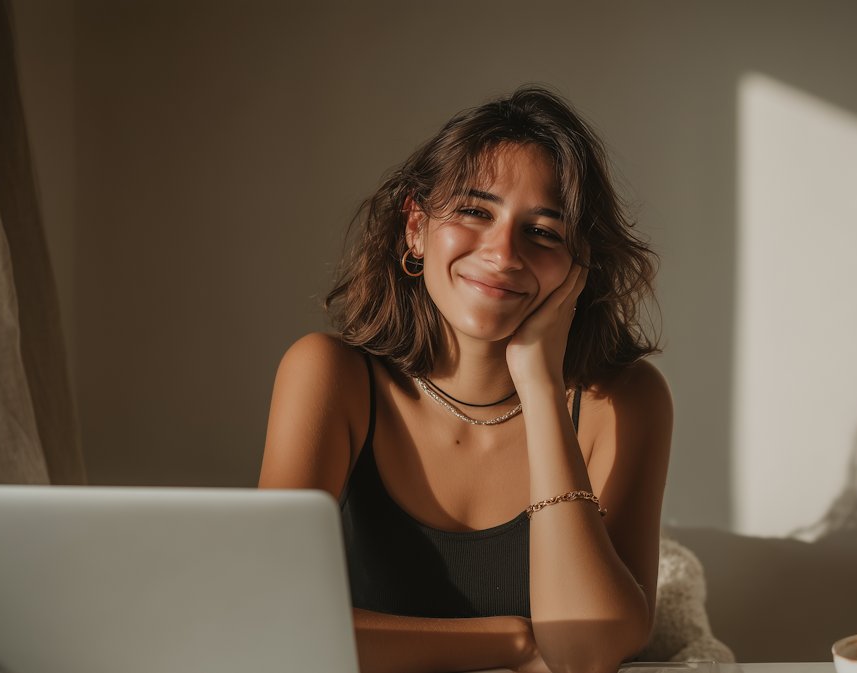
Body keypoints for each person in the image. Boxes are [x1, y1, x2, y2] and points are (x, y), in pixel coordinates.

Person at [258, 86, 672, 673]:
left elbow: (588, 653)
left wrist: (540, 384)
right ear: (416, 228)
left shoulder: (624, 401)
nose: (503, 253)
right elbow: (269, 621)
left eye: (545, 231)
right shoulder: (330, 377)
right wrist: (517, 640)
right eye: (477, 212)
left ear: (579, 268)